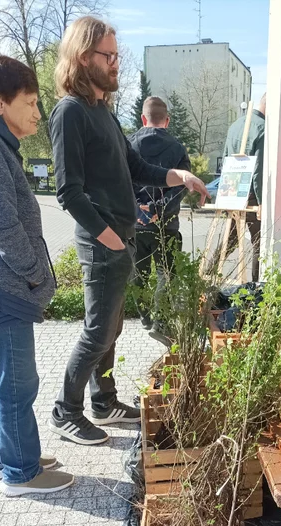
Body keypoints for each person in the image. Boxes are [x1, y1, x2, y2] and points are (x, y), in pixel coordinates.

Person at [49, 17, 209, 446]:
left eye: (118, 55)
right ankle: (66, 411)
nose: (116, 63)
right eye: (109, 55)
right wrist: (109, 237)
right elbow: (68, 191)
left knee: (113, 327)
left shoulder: (102, 111)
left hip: (122, 237)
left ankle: (104, 401)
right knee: (98, 329)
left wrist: (179, 175)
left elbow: (135, 168)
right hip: (104, 241)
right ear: (84, 57)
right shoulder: (70, 112)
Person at [0, 53, 74, 496]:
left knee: (2, 376)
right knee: (18, 381)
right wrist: (34, 275)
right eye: (30, 102)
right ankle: (20, 474)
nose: (38, 113)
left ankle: (6, 454)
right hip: (0, 285)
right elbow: (0, 224)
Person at [128, 96, 191, 334]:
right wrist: (160, 208)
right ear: (167, 120)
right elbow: (183, 183)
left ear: (143, 118)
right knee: (167, 273)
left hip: (135, 224)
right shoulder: (177, 147)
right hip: (167, 223)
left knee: (139, 274)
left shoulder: (128, 144)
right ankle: (161, 321)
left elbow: (120, 180)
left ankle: (145, 320)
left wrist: (137, 208)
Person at [220, 93, 266, 282]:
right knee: (259, 243)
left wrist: (224, 194)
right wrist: (262, 202)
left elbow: (225, 159)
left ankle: (208, 276)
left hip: (232, 192)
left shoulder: (235, 125)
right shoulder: (262, 128)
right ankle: (256, 287)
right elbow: (258, 170)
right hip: (251, 196)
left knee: (228, 242)